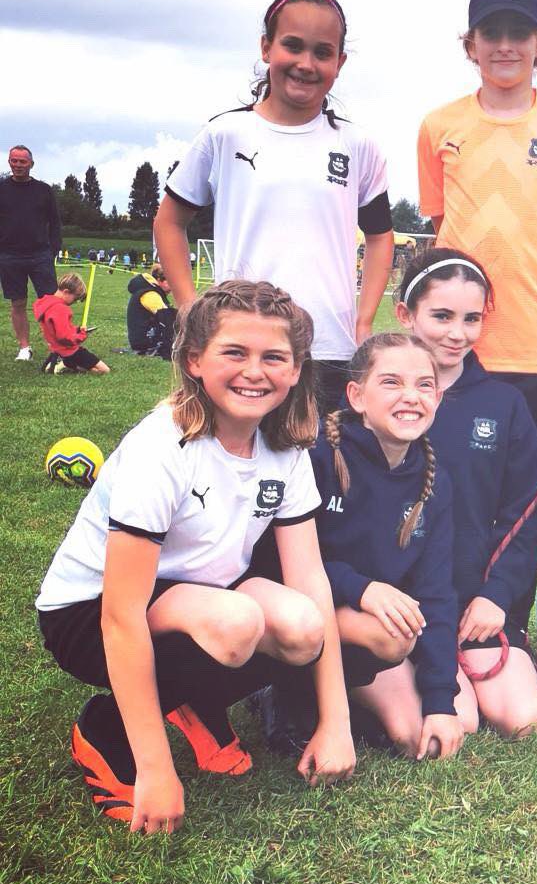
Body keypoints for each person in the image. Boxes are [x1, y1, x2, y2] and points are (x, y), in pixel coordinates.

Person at [35, 280, 356, 832]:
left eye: (274, 356)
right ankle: (105, 731)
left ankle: (194, 704)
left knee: (302, 627)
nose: (255, 371)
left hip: (200, 600)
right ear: (193, 360)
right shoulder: (163, 447)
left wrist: (337, 722)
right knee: (236, 623)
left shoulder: (285, 446)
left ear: (298, 368)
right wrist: (156, 768)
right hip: (90, 613)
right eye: (235, 352)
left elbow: (311, 580)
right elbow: (120, 613)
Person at [154, 0, 394, 415]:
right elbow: (169, 222)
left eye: (322, 52)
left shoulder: (358, 146)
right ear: (266, 48)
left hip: (328, 349)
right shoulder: (224, 135)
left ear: (339, 62)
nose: (306, 63)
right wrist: (190, 309)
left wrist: (363, 319)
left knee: (319, 477)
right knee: (234, 473)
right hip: (240, 346)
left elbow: (380, 237)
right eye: (292, 46)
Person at [417, 0, 537, 429]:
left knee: (523, 490)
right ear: (471, 45)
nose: (505, 46)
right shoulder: (438, 126)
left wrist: (535, 283)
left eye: (519, 33)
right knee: (446, 481)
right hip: (451, 342)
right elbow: (442, 225)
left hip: (535, 346)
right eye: (490, 33)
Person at [394, 249, 537, 737]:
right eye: (441, 316)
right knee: (459, 721)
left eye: (471, 318)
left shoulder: (504, 405)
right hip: (404, 605)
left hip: (475, 605)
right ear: (406, 314)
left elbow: (525, 515)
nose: (456, 333)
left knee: (524, 720)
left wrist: (496, 596)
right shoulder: (381, 399)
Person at [311, 333, 475, 761]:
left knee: (420, 730)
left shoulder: (435, 481)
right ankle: (289, 695)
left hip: (380, 626)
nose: (411, 397)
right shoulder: (317, 457)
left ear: (438, 398)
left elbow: (437, 593)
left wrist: (441, 700)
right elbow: (280, 563)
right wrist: (361, 588)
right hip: (314, 611)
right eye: (391, 382)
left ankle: (365, 696)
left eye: (424, 385)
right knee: (388, 636)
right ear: (356, 395)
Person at [1, 144, 60, 361]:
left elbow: (55, 222)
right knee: (18, 303)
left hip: (40, 255)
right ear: (9, 162)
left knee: (50, 303)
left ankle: (56, 346)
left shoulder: (44, 190)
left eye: (22, 161)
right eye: (13, 161)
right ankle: (24, 348)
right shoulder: (2, 188)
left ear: (31, 164)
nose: (17, 165)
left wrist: (53, 250)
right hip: (9, 256)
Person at [34, 272, 109, 375]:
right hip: (69, 351)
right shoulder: (61, 309)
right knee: (104, 370)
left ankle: (59, 363)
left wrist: (75, 330)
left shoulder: (47, 304)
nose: (74, 302)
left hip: (56, 349)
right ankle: (63, 364)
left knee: (89, 368)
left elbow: (57, 329)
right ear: (66, 292)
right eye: (75, 298)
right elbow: (64, 337)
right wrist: (81, 335)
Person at [127, 262, 175, 357]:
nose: (173, 286)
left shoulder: (148, 290)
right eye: (170, 282)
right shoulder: (150, 294)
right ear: (159, 280)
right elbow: (167, 317)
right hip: (146, 343)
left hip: (142, 339)